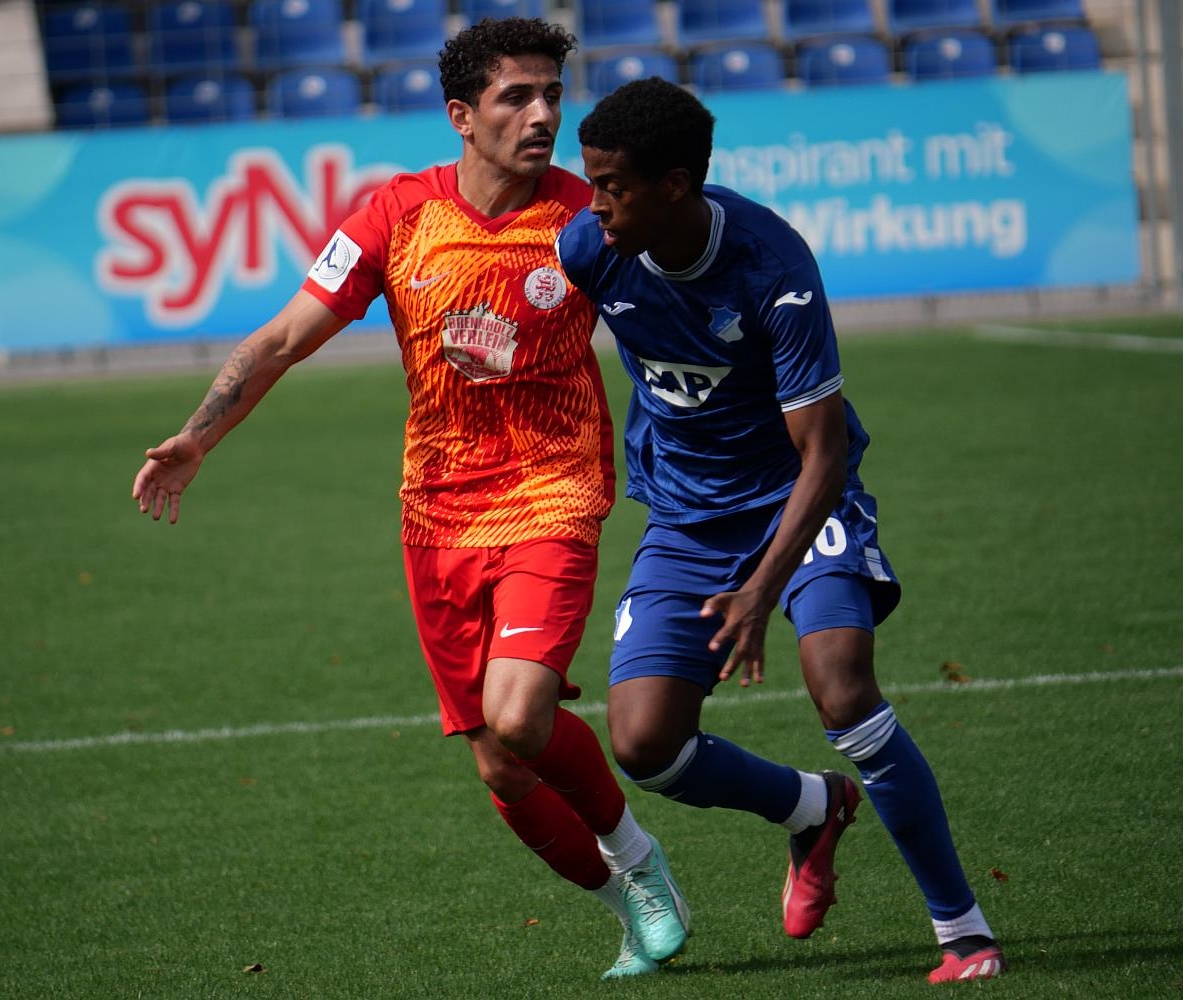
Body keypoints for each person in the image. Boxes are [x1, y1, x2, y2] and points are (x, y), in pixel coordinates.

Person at [131, 19, 687, 980]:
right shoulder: (395, 216)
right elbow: (284, 337)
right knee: (499, 762)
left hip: (554, 492)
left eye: (552, 94)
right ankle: (627, 908)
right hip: (437, 512)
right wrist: (197, 435)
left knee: (519, 716)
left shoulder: (586, 217)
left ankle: (639, 860)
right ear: (462, 116)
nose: (543, 115)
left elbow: (688, 310)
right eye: (517, 97)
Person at [554, 77, 1006, 985]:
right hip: (687, 518)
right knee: (643, 745)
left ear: (674, 186)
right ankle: (811, 809)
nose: (594, 203)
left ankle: (963, 931)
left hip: (798, 498)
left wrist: (761, 590)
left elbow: (823, 455)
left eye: (612, 185)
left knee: (841, 686)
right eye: (591, 181)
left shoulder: (772, 267)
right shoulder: (591, 249)